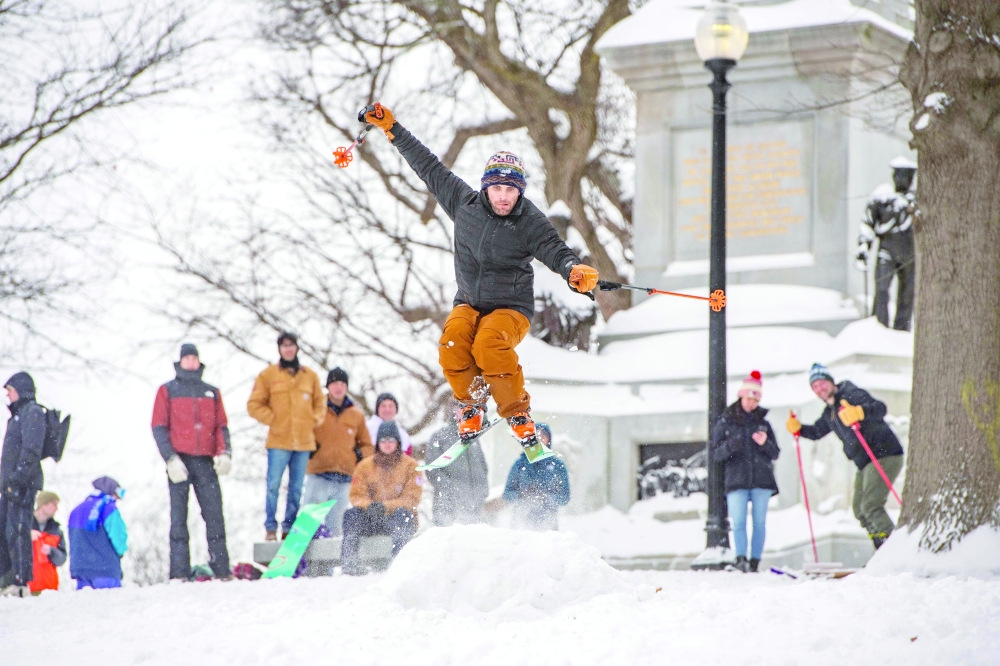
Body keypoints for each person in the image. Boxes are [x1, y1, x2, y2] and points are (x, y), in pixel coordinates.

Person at [361, 103, 599, 450]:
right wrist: (392, 128)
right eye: (497, 189)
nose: (503, 196)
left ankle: (518, 415)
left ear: (520, 191)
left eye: (511, 190)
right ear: (486, 188)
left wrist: (572, 270)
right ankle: (472, 404)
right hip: (469, 303)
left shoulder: (529, 221)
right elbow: (428, 166)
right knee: (452, 343)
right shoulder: (463, 202)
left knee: (488, 344)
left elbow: (554, 249)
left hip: (511, 309)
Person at [787, 363, 905, 549]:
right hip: (864, 462)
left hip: (884, 453)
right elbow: (817, 431)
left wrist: (860, 412)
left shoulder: (849, 393)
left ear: (831, 381)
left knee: (871, 506)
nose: (820, 389)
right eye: (815, 387)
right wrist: (799, 429)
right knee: (859, 510)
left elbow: (880, 408)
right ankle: (881, 547)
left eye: (822, 383)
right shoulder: (830, 412)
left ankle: (895, 549)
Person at [151, 343, 233, 581]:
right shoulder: (167, 390)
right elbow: (158, 426)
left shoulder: (212, 391)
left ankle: (222, 569)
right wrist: (170, 458)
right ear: (180, 361)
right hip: (180, 461)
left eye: (194, 357)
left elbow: (221, 425)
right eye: (187, 358)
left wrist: (225, 452)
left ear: (198, 361)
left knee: (214, 514)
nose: (191, 362)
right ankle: (179, 572)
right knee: (179, 517)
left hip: (205, 461)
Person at [247, 331, 326, 541]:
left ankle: (289, 528)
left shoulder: (310, 376)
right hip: (279, 441)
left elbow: (320, 403)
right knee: (273, 484)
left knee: (296, 487)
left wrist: (313, 419)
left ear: (297, 348)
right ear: (279, 349)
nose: (288, 349)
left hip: (303, 442)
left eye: (291, 345)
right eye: (284, 345)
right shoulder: (268, 375)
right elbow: (253, 405)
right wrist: (272, 418)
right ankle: (271, 528)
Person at [710, 371, 780, 573]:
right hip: (736, 480)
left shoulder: (763, 424)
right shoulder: (726, 422)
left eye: (755, 399)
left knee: (759, 523)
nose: (751, 403)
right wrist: (732, 445)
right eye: (749, 398)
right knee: (738, 521)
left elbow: (775, 453)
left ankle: (754, 560)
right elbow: (715, 454)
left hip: (762, 481)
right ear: (741, 396)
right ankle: (740, 558)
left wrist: (765, 443)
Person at [341, 421, 422, 575]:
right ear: (377, 443)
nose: (387, 444)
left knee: (403, 516)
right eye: (383, 440)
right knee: (351, 515)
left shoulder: (411, 466)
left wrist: (386, 506)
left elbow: (412, 499)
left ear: (398, 442)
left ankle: (398, 566)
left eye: (391, 440)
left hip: (397, 518)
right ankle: (350, 564)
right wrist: (369, 506)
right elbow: (356, 495)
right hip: (373, 518)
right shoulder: (364, 466)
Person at [303, 367, 373, 536]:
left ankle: (331, 564)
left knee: (335, 532)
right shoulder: (316, 409)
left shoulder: (356, 415)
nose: (338, 387)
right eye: (334, 383)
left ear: (346, 387)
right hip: (318, 475)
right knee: (307, 526)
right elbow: (302, 432)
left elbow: (368, 446)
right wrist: (310, 448)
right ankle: (302, 561)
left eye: (342, 383)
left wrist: (357, 455)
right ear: (328, 386)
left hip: (344, 480)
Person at [855, 156, 916, 331]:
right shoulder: (882, 196)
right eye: (899, 174)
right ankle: (879, 327)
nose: (901, 179)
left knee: (907, 294)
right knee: (881, 290)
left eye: (906, 175)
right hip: (886, 252)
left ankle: (902, 330)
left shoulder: (917, 199)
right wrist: (864, 245)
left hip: (910, 254)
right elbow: (868, 222)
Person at [0, 372, 45, 598]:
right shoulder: (16, 417)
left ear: (20, 389)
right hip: (9, 487)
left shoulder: (32, 413)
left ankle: (20, 582)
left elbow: (31, 450)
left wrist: (18, 479)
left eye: (10, 389)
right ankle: (7, 579)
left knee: (18, 530)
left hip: (22, 485)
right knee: (5, 531)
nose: (7, 395)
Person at [425, 401, 489, 526]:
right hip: (448, 508)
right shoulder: (440, 437)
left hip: (474, 508)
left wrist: (482, 491)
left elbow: (483, 468)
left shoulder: (473, 438)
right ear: (454, 411)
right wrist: (449, 489)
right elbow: (432, 469)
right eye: (461, 408)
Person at [503, 423, 570, 530]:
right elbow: (507, 494)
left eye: (543, 436)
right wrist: (522, 495)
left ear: (549, 440)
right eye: (536, 436)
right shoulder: (520, 464)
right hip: (521, 526)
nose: (539, 439)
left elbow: (564, 498)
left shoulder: (557, 466)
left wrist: (546, 497)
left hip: (548, 527)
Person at [68, 477, 128, 590]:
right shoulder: (109, 508)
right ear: (112, 492)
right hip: (105, 570)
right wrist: (121, 551)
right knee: (109, 605)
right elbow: (119, 538)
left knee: (86, 606)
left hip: (81, 570)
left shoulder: (76, 510)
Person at [29, 490, 66, 593]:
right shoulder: (24, 526)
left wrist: (52, 551)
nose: (56, 508)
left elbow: (62, 559)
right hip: (28, 587)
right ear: (43, 504)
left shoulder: (56, 530)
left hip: (49, 588)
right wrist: (27, 538)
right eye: (54, 504)